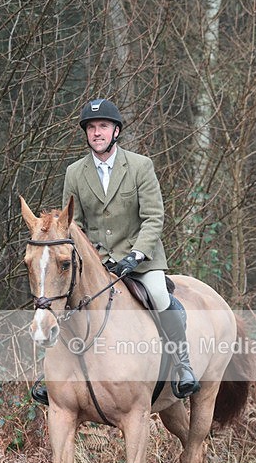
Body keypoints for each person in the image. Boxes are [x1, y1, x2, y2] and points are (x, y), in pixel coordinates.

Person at [61, 98, 200, 399]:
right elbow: (73, 224)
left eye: (103, 126)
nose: (97, 132)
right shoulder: (74, 172)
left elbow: (154, 217)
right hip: (95, 262)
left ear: (116, 131)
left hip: (140, 260)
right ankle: (55, 377)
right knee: (63, 302)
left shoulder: (139, 166)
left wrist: (135, 255)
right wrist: (93, 257)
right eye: (92, 128)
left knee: (162, 297)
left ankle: (182, 365)